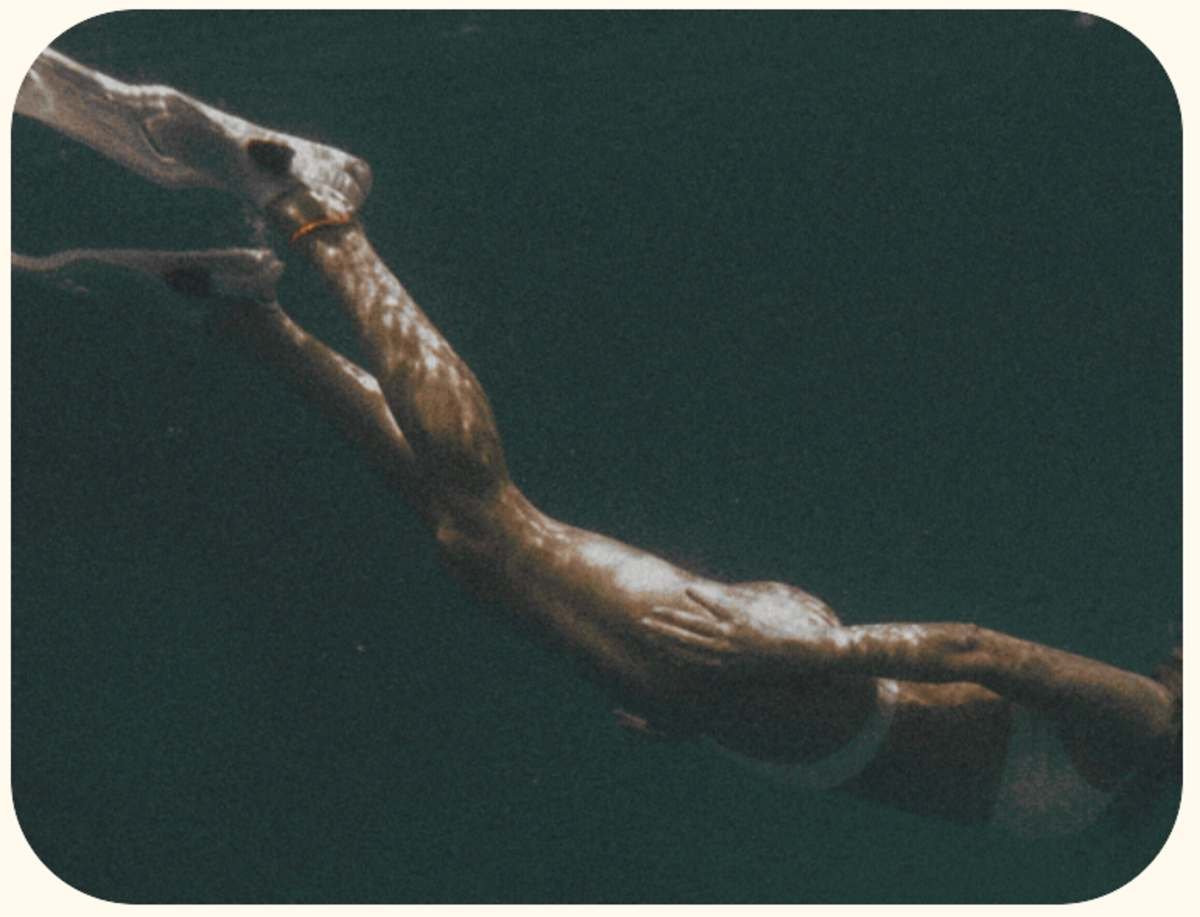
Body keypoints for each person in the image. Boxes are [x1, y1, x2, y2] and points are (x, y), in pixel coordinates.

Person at [15, 48, 1181, 836]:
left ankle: (246, 315)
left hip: (765, 709)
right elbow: (986, 650)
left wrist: (720, 721)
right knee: (492, 521)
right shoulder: (1154, 724)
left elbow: (931, 769)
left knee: (470, 545)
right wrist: (794, 664)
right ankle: (319, 212)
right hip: (794, 675)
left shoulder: (1139, 805)